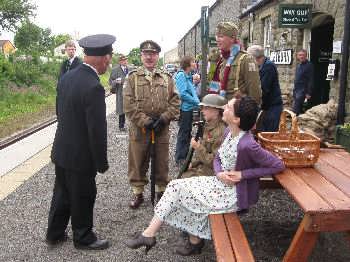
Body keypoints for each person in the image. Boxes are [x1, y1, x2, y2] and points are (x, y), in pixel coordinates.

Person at [125, 96, 285, 256]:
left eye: (228, 108)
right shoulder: (229, 132)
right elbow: (217, 158)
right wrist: (220, 171)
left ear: (236, 119)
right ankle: (169, 237)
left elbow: (278, 165)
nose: (224, 109)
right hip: (219, 184)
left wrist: (243, 174)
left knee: (181, 193)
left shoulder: (248, 144)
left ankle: (155, 236)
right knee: (176, 187)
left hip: (231, 195)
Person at [46, 34, 115, 250]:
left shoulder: (67, 77)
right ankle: (83, 237)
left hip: (62, 150)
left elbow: (60, 112)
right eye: (108, 59)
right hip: (80, 156)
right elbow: (96, 130)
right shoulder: (93, 87)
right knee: (84, 194)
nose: (109, 63)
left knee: (62, 193)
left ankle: (54, 233)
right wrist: (101, 163)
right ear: (102, 58)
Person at [123, 40, 180, 209]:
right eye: (146, 53)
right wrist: (145, 121)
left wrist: (164, 118)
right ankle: (137, 192)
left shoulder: (167, 78)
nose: (149, 57)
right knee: (137, 161)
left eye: (153, 54)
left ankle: (161, 190)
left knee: (161, 161)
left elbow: (176, 101)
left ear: (157, 56)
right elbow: (128, 104)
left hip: (161, 127)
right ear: (141, 56)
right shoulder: (132, 77)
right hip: (140, 128)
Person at [211, 22, 261, 104]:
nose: (217, 39)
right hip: (224, 110)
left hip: (239, 112)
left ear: (232, 38)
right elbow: (216, 86)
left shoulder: (246, 59)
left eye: (221, 36)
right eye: (217, 36)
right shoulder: (222, 60)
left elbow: (254, 92)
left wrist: (250, 112)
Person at [181, 94, 227, 178]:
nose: (202, 111)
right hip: (202, 168)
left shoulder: (221, 132)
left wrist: (198, 147)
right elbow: (204, 149)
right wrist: (193, 163)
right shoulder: (208, 126)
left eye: (206, 108)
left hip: (211, 174)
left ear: (216, 111)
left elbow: (215, 162)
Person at [247, 45, 283, 131]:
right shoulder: (261, 66)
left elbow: (264, 88)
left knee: (269, 134)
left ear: (257, 58)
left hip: (272, 107)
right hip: (266, 106)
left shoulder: (268, 67)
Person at [174, 56, 200, 165]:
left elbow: (190, 90)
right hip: (185, 110)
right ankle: (180, 158)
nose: (195, 63)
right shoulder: (181, 75)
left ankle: (184, 155)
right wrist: (196, 102)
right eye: (193, 62)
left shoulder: (188, 76)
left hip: (189, 109)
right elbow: (183, 94)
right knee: (184, 133)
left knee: (187, 132)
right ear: (187, 64)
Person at [109, 54, 129, 131]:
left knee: (131, 109)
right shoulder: (115, 70)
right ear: (120, 61)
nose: (125, 61)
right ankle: (121, 126)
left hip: (129, 92)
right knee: (121, 110)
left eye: (126, 60)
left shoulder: (129, 69)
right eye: (123, 60)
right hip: (120, 92)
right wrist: (116, 81)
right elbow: (110, 81)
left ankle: (132, 126)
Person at [292, 49, 314, 115]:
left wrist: (308, 92)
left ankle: (295, 122)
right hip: (297, 90)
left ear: (306, 56)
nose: (301, 56)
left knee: (296, 110)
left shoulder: (309, 65)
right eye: (299, 55)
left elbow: (311, 79)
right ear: (297, 56)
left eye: (303, 55)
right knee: (297, 108)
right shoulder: (299, 65)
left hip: (303, 90)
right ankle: (296, 122)